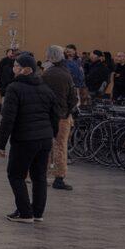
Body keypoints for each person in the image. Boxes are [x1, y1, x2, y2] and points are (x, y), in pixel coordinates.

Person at [0, 52, 60, 223]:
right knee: (39, 176)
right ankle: (37, 212)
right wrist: (52, 135)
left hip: (25, 140)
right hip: (44, 139)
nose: (13, 68)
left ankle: (25, 213)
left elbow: (8, 118)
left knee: (15, 175)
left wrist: (1, 144)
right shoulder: (45, 88)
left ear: (26, 70)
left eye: (16, 66)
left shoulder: (14, 88)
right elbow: (55, 115)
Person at [40, 45, 77, 191]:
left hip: (47, 115)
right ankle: (59, 177)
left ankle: (42, 174)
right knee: (61, 146)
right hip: (62, 115)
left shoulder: (46, 74)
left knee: (45, 145)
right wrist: (67, 111)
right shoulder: (65, 73)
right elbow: (73, 98)